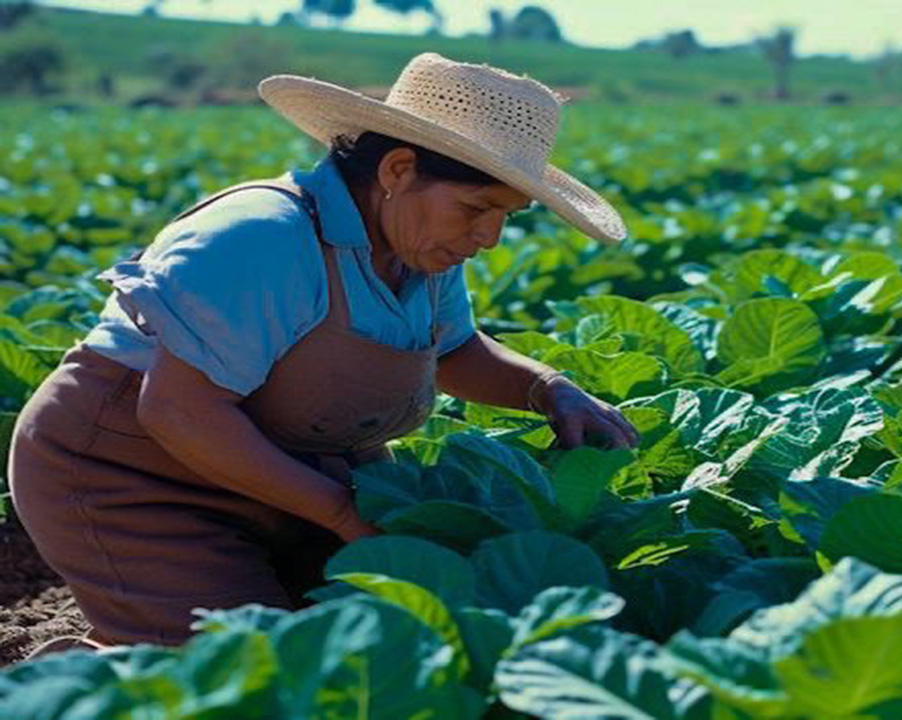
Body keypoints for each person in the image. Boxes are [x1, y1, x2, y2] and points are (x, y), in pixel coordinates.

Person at [10, 53, 639, 652]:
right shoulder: (262, 236)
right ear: (397, 171)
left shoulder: (420, 247)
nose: (491, 237)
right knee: (250, 672)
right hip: (132, 478)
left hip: (285, 475)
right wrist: (340, 512)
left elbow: (454, 351)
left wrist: (548, 388)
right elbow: (180, 413)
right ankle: (62, 690)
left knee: (392, 637)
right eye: (477, 207)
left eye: (508, 215)